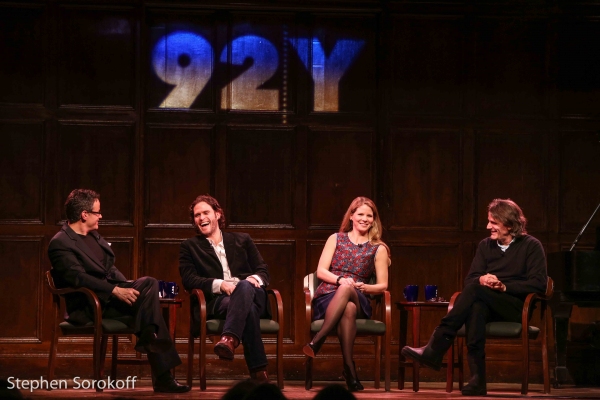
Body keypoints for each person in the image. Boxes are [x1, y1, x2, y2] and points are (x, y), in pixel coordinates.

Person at [47, 189, 190, 393]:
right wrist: (115, 290)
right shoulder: (60, 243)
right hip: (89, 305)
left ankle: (149, 336)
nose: (101, 216)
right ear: (84, 214)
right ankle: (162, 376)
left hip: (110, 301)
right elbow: (77, 277)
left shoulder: (95, 236)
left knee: (148, 284)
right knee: (151, 310)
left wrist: (126, 287)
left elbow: (110, 269)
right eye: (97, 212)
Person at [401, 198, 547, 396]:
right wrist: (483, 280)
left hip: (516, 307)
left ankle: (435, 348)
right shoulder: (485, 246)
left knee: (475, 292)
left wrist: (503, 286)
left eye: (494, 222)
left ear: (510, 224)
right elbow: (471, 280)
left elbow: (538, 283)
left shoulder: (531, 245)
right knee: (476, 305)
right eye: (489, 221)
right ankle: (477, 380)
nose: (488, 226)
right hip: (487, 303)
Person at [179, 194, 271, 383]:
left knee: (244, 286)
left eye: (206, 212)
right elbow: (189, 279)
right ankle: (259, 372)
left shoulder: (242, 240)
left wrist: (253, 279)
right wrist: (220, 285)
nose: (201, 218)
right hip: (220, 300)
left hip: (252, 293)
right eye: (197, 215)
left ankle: (229, 337)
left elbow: (263, 270)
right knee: (249, 310)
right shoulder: (190, 247)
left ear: (218, 214)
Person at [303, 196, 390, 392]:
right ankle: (350, 370)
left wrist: (362, 287)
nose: (365, 219)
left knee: (350, 296)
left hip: (359, 297)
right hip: (328, 296)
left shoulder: (378, 248)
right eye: (360, 214)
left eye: (369, 216)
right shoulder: (336, 239)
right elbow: (321, 271)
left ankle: (318, 340)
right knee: (347, 306)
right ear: (351, 216)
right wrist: (341, 280)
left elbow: (383, 285)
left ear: (374, 220)